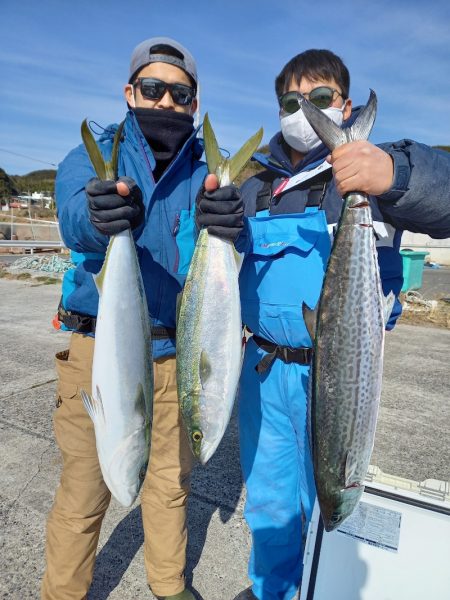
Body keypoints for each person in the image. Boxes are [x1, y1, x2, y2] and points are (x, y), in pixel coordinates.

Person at [196, 49, 450, 600]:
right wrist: (207, 215)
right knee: (268, 502)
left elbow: (446, 199)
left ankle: (324, 590)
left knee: (326, 504)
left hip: (337, 373)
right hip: (262, 372)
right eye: (291, 101)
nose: (302, 109)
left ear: (346, 105)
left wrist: (394, 171)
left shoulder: (368, 168)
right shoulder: (256, 182)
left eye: (319, 98)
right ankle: (272, 591)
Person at [42, 37, 209, 600]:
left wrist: (232, 226)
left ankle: (169, 587)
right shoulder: (91, 155)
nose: (164, 102)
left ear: (194, 101)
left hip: (172, 359)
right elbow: (72, 217)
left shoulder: (206, 173)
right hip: (100, 355)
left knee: (169, 488)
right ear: (130, 90)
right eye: (152, 88)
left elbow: (217, 262)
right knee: (84, 493)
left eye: (178, 92)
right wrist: (98, 212)